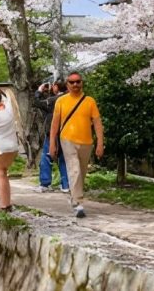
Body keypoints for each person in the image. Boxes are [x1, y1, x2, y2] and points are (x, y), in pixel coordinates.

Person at [49, 71, 104, 219]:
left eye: (78, 81)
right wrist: (52, 143)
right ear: (67, 85)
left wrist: (100, 143)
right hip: (67, 139)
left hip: (86, 142)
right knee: (74, 170)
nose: (75, 85)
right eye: (72, 82)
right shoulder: (61, 101)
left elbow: (97, 123)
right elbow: (55, 124)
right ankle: (78, 203)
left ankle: (74, 198)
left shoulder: (90, 101)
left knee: (82, 172)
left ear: (82, 83)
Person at [33, 80, 69, 194]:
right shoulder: (69, 99)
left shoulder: (54, 100)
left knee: (46, 157)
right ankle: (66, 185)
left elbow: (37, 103)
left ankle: (45, 183)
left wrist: (39, 91)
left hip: (53, 133)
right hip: (67, 132)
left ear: (56, 87)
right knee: (63, 158)